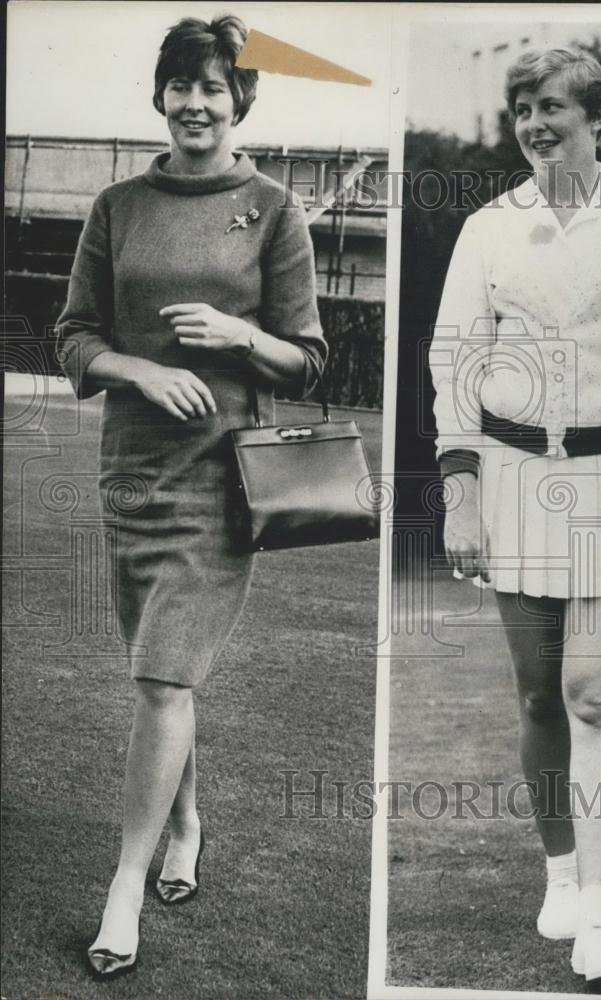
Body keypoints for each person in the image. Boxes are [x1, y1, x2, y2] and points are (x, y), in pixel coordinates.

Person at [429, 48, 601, 990]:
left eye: (551, 106)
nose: (534, 123)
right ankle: (557, 871)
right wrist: (461, 486)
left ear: (597, 116)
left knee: (596, 695)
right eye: (522, 108)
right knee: (541, 696)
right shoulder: (484, 228)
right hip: (511, 479)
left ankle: (598, 916)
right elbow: (455, 365)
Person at [55, 15, 327, 980]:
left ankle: (124, 883)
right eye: (181, 86)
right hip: (133, 471)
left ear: (241, 99)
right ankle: (188, 827)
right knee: (163, 677)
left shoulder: (274, 208)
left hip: (225, 479)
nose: (196, 104)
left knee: (164, 680)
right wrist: (136, 368)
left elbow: (307, 360)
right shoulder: (116, 206)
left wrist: (236, 333)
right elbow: (73, 337)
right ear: (161, 97)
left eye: (214, 88)